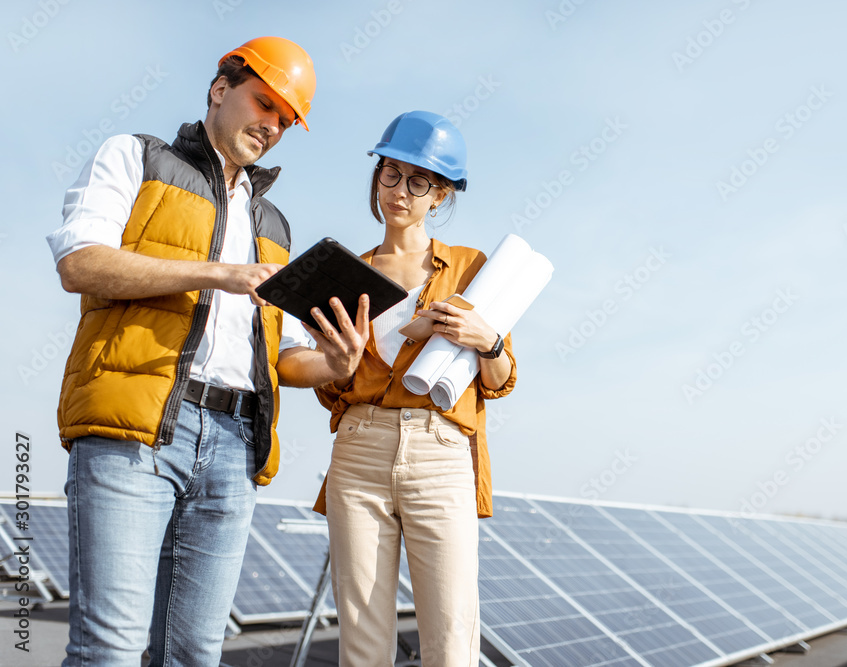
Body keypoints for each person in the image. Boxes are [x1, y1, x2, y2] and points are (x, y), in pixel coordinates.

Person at [46, 37, 319, 666]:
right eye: (264, 103)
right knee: (110, 648)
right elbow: (81, 263)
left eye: (286, 119)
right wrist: (215, 272)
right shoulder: (138, 158)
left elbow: (285, 356)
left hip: (234, 446)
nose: (272, 125)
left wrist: (336, 359)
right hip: (133, 433)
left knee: (194, 652)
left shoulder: (274, 226)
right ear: (220, 89)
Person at [282, 110, 516, 666]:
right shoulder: (342, 273)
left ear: (441, 195)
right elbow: (326, 386)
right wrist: (342, 361)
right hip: (359, 449)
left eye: (420, 182)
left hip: (441, 454)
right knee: (361, 639)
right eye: (391, 173)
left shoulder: (471, 268)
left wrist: (489, 342)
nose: (400, 192)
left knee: (452, 636)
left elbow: (500, 382)